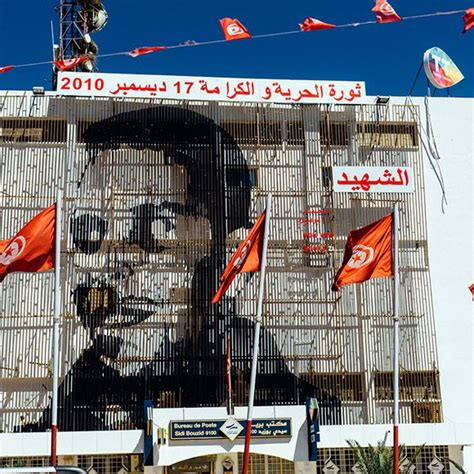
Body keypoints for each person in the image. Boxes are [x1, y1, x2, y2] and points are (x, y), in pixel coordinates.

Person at [25, 105, 338, 431]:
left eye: (151, 235)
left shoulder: (252, 363)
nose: (110, 270)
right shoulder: (70, 402)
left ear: (214, 255)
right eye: (89, 239)